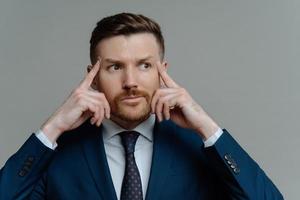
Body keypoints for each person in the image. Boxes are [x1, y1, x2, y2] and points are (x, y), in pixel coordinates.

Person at [0, 12, 283, 200]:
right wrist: (53, 128)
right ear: (93, 77)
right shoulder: (57, 155)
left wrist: (207, 126)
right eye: (114, 67)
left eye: (144, 65)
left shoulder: (201, 150)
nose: (131, 81)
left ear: (163, 71)